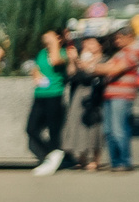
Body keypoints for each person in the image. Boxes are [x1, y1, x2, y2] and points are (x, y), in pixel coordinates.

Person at [101, 31, 139, 172]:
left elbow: (114, 69)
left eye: (119, 38)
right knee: (109, 130)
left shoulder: (137, 50)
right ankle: (115, 162)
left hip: (122, 95)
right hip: (110, 94)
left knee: (119, 129)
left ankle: (124, 162)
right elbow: (107, 68)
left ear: (130, 36)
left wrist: (93, 68)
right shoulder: (121, 52)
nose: (117, 41)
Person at [60, 36, 106, 170]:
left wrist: (77, 60)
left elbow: (88, 75)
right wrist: (72, 61)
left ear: (100, 45)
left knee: (94, 129)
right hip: (79, 95)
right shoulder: (82, 59)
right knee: (79, 126)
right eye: (86, 43)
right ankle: (82, 157)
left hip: (95, 95)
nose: (88, 45)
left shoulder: (104, 59)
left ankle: (95, 159)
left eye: (92, 43)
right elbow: (72, 75)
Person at [28, 30, 69, 175]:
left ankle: (53, 156)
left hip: (54, 95)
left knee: (53, 130)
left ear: (58, 38)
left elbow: (56, 61)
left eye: (49, 35)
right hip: (39, 94)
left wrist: (54, 44)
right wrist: (35, 74)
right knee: (31, 128)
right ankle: (52, 155)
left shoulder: (63, 52)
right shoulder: (41, 53)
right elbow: (35, 67)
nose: (45, 38)